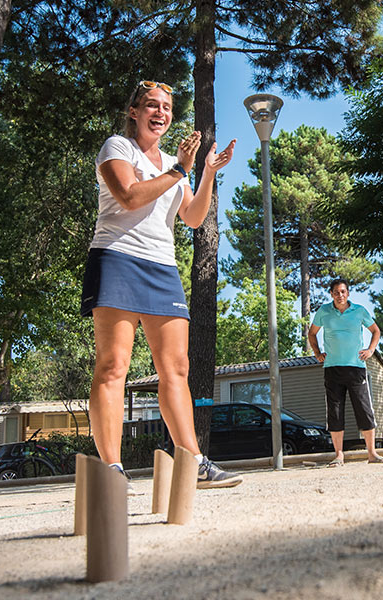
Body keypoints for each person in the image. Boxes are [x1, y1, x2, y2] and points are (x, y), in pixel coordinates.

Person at [83, 79, 240, 487]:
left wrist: (204, 173)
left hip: (162, 267)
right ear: (134, 112)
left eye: (167, 108)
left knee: (177, 369)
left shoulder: (176, 164)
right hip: (117, 257)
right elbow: (130, 197)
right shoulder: (118, 147)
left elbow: (191, 218)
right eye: (151, 105)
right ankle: (111, 469)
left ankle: (194, 462)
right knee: (113, 365)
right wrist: (180, 170)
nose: (161, 113)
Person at [307, 278, 383, 466]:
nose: (340, 295)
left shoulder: (359, 311)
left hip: (356, 368)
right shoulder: (324, 311)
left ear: (348, 293)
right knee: (335, 413)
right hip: (332, 368)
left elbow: (376, 330)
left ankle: (372, 454)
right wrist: (318, 353)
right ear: (331, 294)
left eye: (343, 291)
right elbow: (312, 333)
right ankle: (339, 455)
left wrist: (370, 350)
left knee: (364, 409)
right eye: (336, 292)